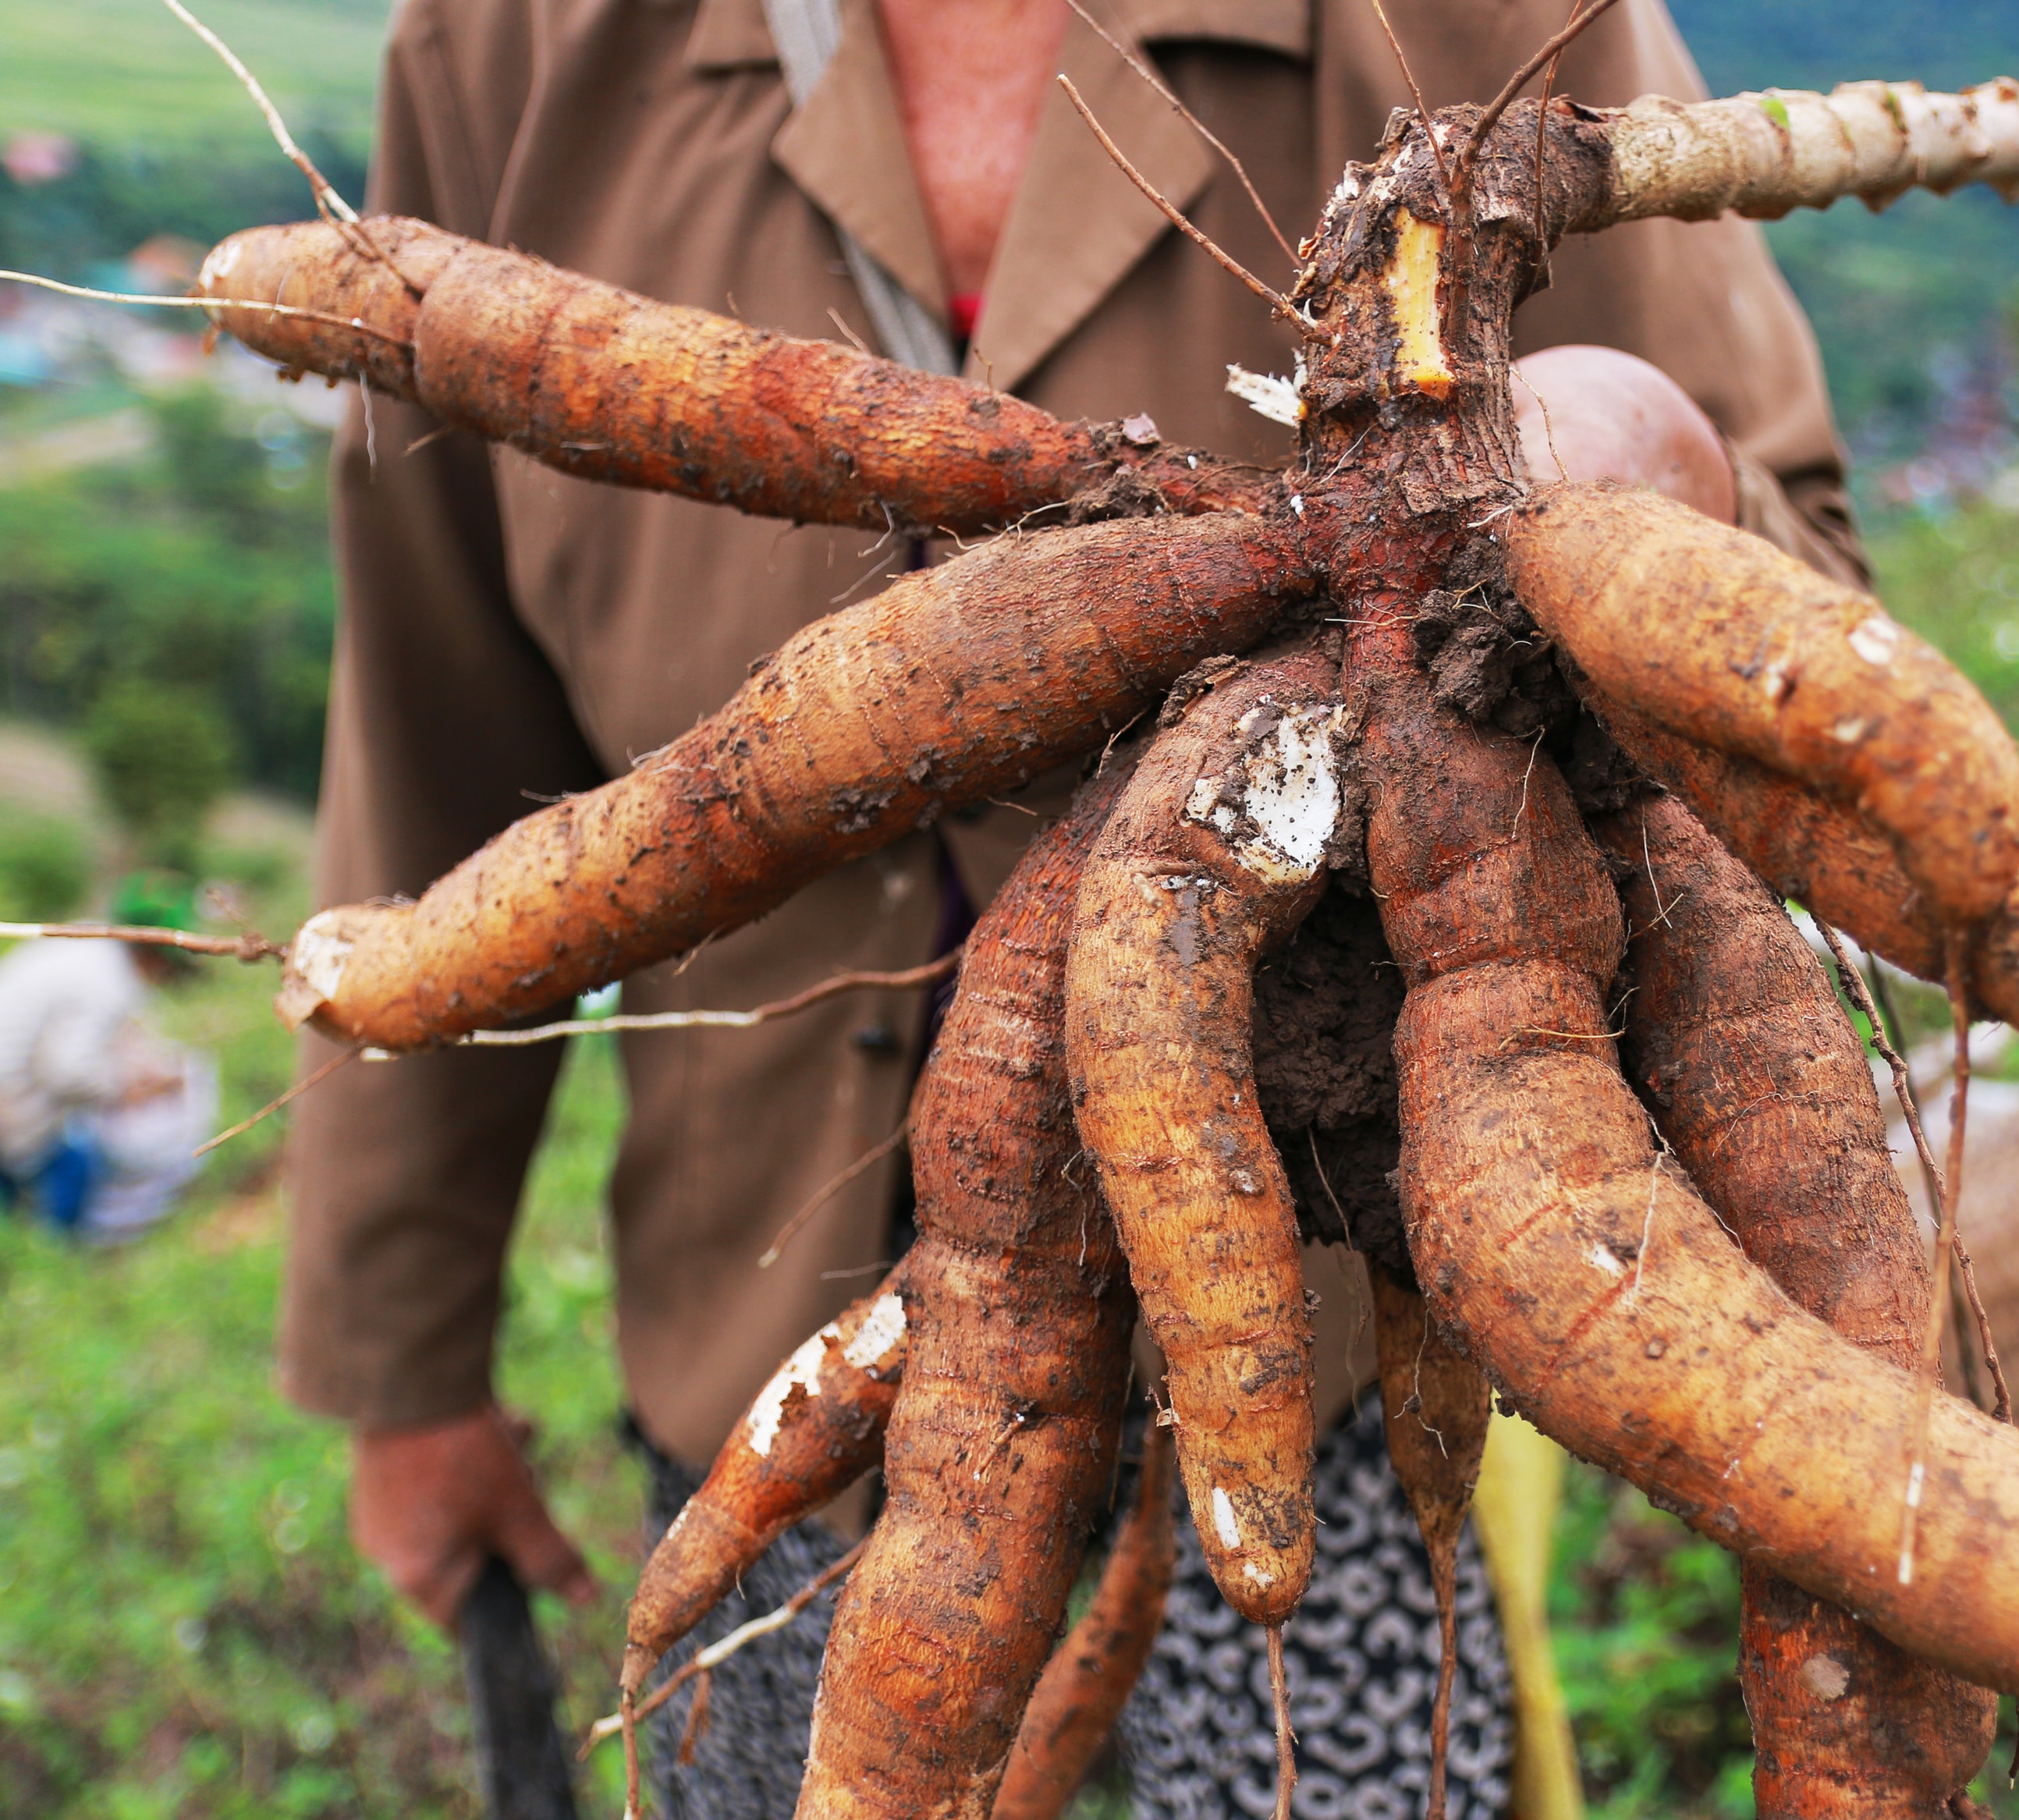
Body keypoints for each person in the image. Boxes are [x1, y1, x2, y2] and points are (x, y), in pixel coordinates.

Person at [280, 0, 1871, 1812]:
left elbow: (1798, 566)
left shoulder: (1500, 21)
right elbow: (432, 719)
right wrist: (404, 1360)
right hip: (772, 1361)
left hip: (1328, 1328)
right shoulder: (509, 40)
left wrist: (1597, 490)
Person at [0, 875, 219, 1245]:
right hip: (11, 1099)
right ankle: (53, 1257)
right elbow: (67, 1070)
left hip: (13, 1085)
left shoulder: (87, 947)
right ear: (155, 954)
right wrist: (128, 1087)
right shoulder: (108, 980)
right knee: (68, 1175)